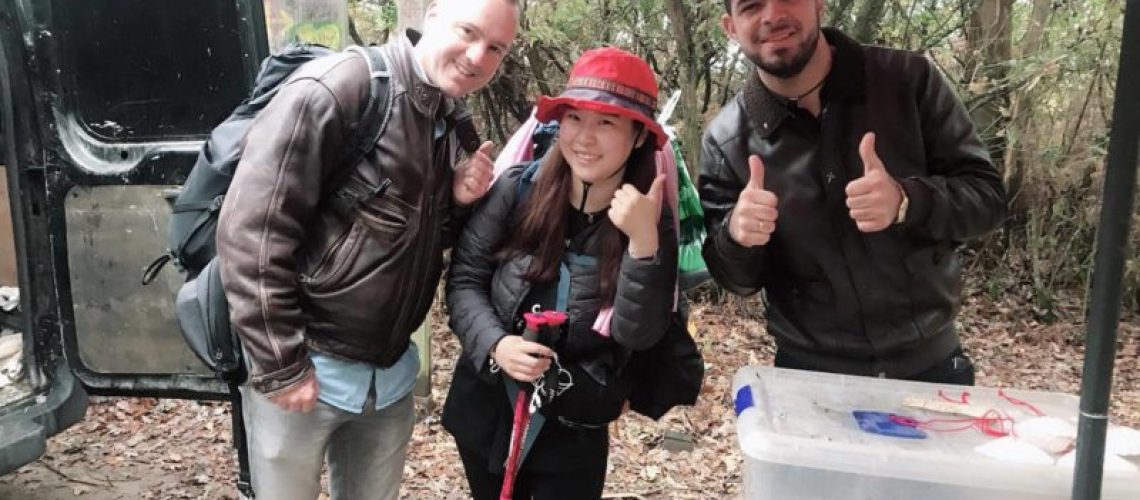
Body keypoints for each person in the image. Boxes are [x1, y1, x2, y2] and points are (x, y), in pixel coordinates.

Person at [214, 0, 519, 498]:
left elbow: (415, 241)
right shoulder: (341, 89)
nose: (477, 56)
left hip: (388, 380)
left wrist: (458, 200)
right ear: (434, 14)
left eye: (496, 48)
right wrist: (281, 363)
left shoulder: (453, 123)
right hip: (307, 367)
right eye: (468, 31)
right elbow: (253, 231)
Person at [699, 0, 1007, 384]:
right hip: (809, 378)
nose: (773, 15)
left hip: (931, 366)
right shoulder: (726, 141)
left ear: (819, 5)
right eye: (752, 5)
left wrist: (906, 201)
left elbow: (988, 198)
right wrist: (737, 237)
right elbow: (736, 279)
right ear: (730, 27)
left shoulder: (908, 81)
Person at [442, 47, 678, 499]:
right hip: (489, 405)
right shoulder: (516, 191)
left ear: (639, 137)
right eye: (575, 118)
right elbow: (465, 280)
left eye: (606, 122)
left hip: (573, 425)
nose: (584, 138)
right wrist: (497, 344)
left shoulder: (649, 218)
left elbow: (638, 334)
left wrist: (644, 245)